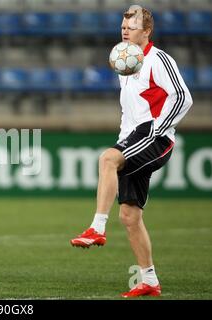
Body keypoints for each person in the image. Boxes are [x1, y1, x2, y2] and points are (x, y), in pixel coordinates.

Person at [70, 5, 193, 297]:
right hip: (134, 135)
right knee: (129, 216)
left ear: (147, 31)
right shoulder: (125, 60)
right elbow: (130, 109)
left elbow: (183, 98)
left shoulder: (158, 59)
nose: (126, 29)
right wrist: (124, 138)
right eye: (123, 25)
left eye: (133, 25)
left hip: (155, 136)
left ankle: (97, 227)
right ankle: (149, 280)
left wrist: (158, 127)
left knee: (107, 159)